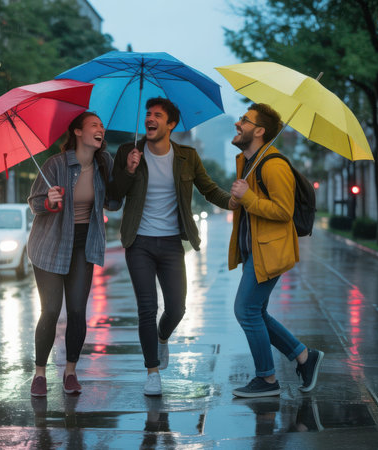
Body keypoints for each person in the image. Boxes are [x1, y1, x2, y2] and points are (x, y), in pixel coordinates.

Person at [110, 97, 235, 396]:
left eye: (157, 115)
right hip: (138, 242)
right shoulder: (130, 151)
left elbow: (208, 188)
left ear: (171, 124)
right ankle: (152, 372)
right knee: (146, 308)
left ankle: (162, 338)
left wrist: (234, 202)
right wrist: (128, 171)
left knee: (177, 308)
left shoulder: (187, 157)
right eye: (148, 114)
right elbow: (113, 198)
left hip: (171, 243)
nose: (150, 119)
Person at [228, 103, 324, 398]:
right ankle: (305, 356)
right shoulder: (249, 162)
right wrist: (238, 201)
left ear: (259, 131)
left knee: (245, 310)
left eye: (245, 120)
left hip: (269, 251)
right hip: (253, 250)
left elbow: (284, 211)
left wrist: (249, 199)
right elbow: (252, 204)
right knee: (257, 312)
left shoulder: (274, 164)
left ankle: (267, 380)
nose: (238, 124)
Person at [27, 111, 120, 397]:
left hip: (84, 244)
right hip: (50, 243)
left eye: (102, 126)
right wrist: (49, 200)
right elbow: (34, 203)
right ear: (78, 132)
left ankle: (70, 371)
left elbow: (114, 203)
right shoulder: (56, 164)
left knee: (78, 311)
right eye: (94, 124)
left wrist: (127, 172)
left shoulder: (105, 163)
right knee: (51, 310)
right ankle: (40, 373)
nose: (100, 129)